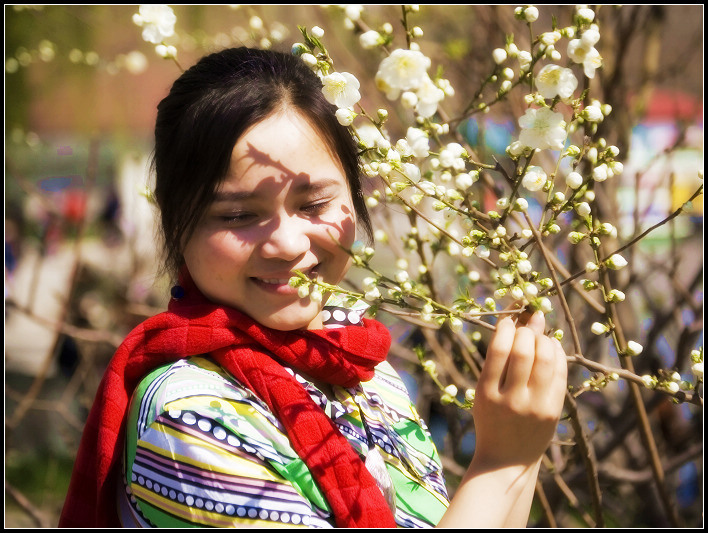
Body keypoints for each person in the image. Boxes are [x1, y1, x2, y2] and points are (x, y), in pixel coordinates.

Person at [59, 47, 567, 528]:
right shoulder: (189, 415)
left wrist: (520, 454)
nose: (285, 243)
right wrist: (502, 460)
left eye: (314, 204)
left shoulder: (367, 372)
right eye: (237, 214)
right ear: (177, 225)